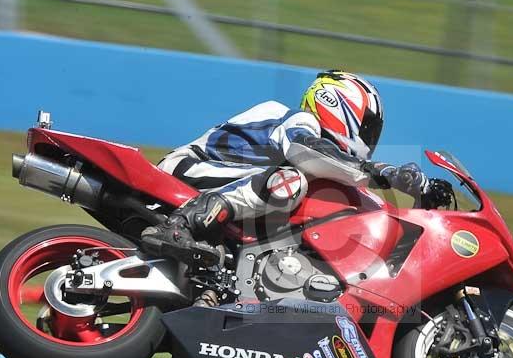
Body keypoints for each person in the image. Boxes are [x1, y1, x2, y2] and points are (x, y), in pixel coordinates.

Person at [141, 69, 433, 265]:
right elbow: (309, 152)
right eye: (368, 127)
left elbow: (370, 207)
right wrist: (384, 173)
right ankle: (179, 225)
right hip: (186, 172)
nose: (370, 138)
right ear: (338, 105)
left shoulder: (323, 155)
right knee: (289, 182)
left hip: (217, 184)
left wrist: (420, 215)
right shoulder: (298, 121)